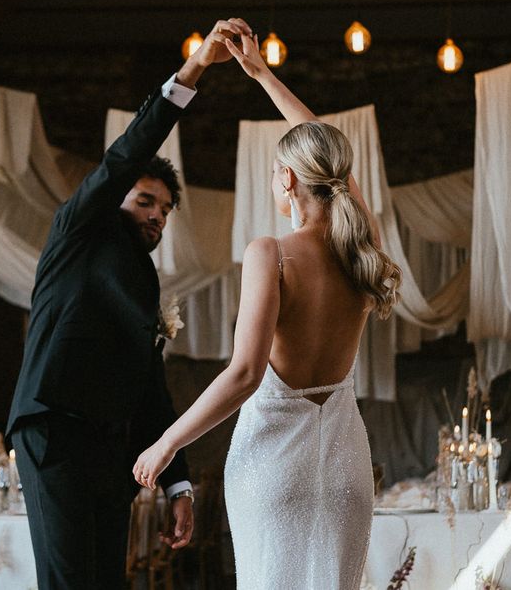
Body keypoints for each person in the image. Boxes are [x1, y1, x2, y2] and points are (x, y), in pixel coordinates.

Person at [133, 29, 402, 589]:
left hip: (275, 469)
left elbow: (245, 374)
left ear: (286, 179)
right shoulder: (361, 245)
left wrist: (167, 442)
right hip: (347, 471)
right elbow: (332, 158)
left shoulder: (271, 254)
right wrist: (260, 74)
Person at [6, 18, 253, 590]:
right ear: (117, 197)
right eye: (146, 201)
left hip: (111, 449)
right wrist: (193, 71)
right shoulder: (79, 232)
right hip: (53, 430)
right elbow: (126, 155)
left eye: (166, 211)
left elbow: (149, 386)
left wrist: (178, 484)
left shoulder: (143, 282)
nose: (157, 217)